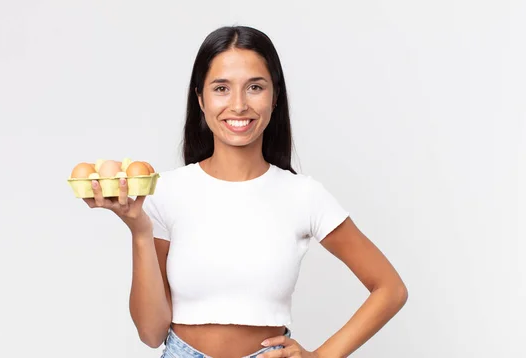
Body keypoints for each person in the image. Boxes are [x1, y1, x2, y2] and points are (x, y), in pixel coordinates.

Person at [84, 25, 408, 358]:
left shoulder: (303, 195)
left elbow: (390, 289)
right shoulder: (164, 192)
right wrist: (140, 231)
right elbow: (152, 334)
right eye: (221, 88)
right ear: (200, 98)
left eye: (255, 87)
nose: (238, 105)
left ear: (275, 96)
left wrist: (321, 357)